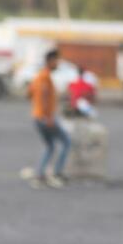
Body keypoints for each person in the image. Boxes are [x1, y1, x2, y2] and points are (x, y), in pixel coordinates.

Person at [28, 49, 70, 188]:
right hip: (45, 118)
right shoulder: (44, 78)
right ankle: (57, 173)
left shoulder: (40, 76)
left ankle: (40, 174)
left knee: (50, 146)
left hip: (39, 116)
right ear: (50, 61)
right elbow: (42, 98)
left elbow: (29, 93)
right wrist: (49, 117)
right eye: (57, 61)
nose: (58, 64)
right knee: (66, 141)